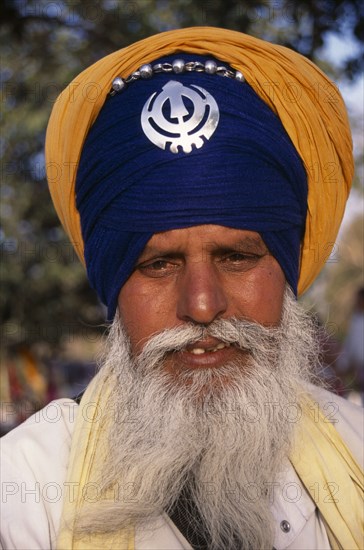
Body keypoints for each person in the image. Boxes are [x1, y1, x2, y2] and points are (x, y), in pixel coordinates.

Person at [1, 26, 363, 550]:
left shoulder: (354, 452)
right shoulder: (27, 496)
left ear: (285, 266)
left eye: (237, 257)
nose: (201, 305)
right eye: (158, 264)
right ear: (114, 283)